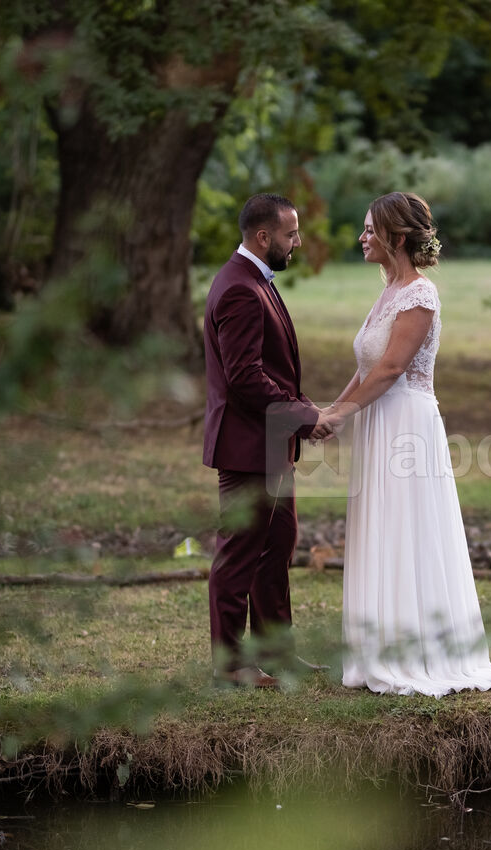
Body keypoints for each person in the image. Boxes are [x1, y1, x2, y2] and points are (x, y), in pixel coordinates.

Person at [323, 192, 491, 697]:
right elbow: (366, 366)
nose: (362, 237)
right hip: (377, 421)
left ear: (397, 237)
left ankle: (418, 652)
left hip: (405, 424)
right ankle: (377, 648)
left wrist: (343, 414)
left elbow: (391, 370)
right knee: (379, 526)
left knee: (406, 528)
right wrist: (331, 412)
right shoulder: (388, 290)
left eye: (370, 230)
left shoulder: (419, 295)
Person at [202, 193, 335, 688]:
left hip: (270, 444)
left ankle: (276, 653)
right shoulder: (238, 288)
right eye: (291, 234)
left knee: (277, 546)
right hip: (247, 447)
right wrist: (305, 416)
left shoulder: (256, 281)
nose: (297, 241)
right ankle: (232, 665)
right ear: (264, 237)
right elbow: (245, 378)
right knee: (239, 555)